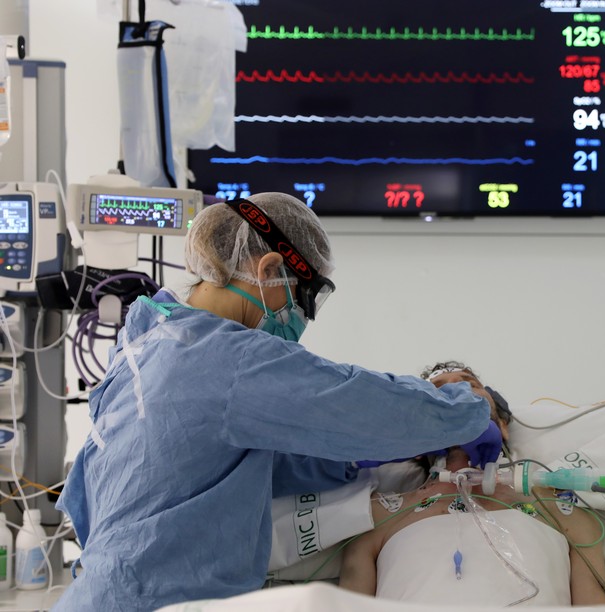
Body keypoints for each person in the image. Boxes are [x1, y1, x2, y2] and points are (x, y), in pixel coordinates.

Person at [53, 194, 501, 611]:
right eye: (305, 297)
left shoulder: (150, 342)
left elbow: (234, 467)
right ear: (267, 271)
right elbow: (359, 400)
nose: (303, 319)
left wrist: (352, 459)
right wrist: (464, 409)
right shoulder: (226, 359)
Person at [339, 361, 605, 607]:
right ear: (415, 439)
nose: (456, 393)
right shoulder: (375, 519)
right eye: (437, 389)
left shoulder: (565, 515)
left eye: (468, 384)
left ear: (504, 426)